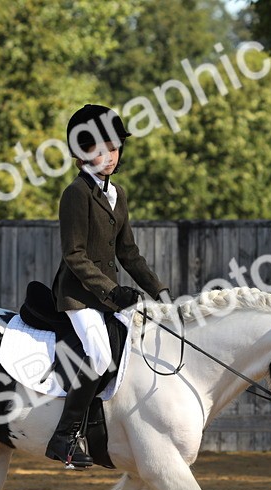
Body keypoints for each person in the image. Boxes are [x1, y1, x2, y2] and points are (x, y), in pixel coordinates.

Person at [47, 104, 170, 468]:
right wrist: (112, 290)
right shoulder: (76, 193)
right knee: (99, 355)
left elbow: (128, 253)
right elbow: (74, 254)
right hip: (78, 297)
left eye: (114, 148)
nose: (109, 157)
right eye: (100, 150)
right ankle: (64, 437)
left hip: (106, 299)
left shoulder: (117, 194)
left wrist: (159, 291)